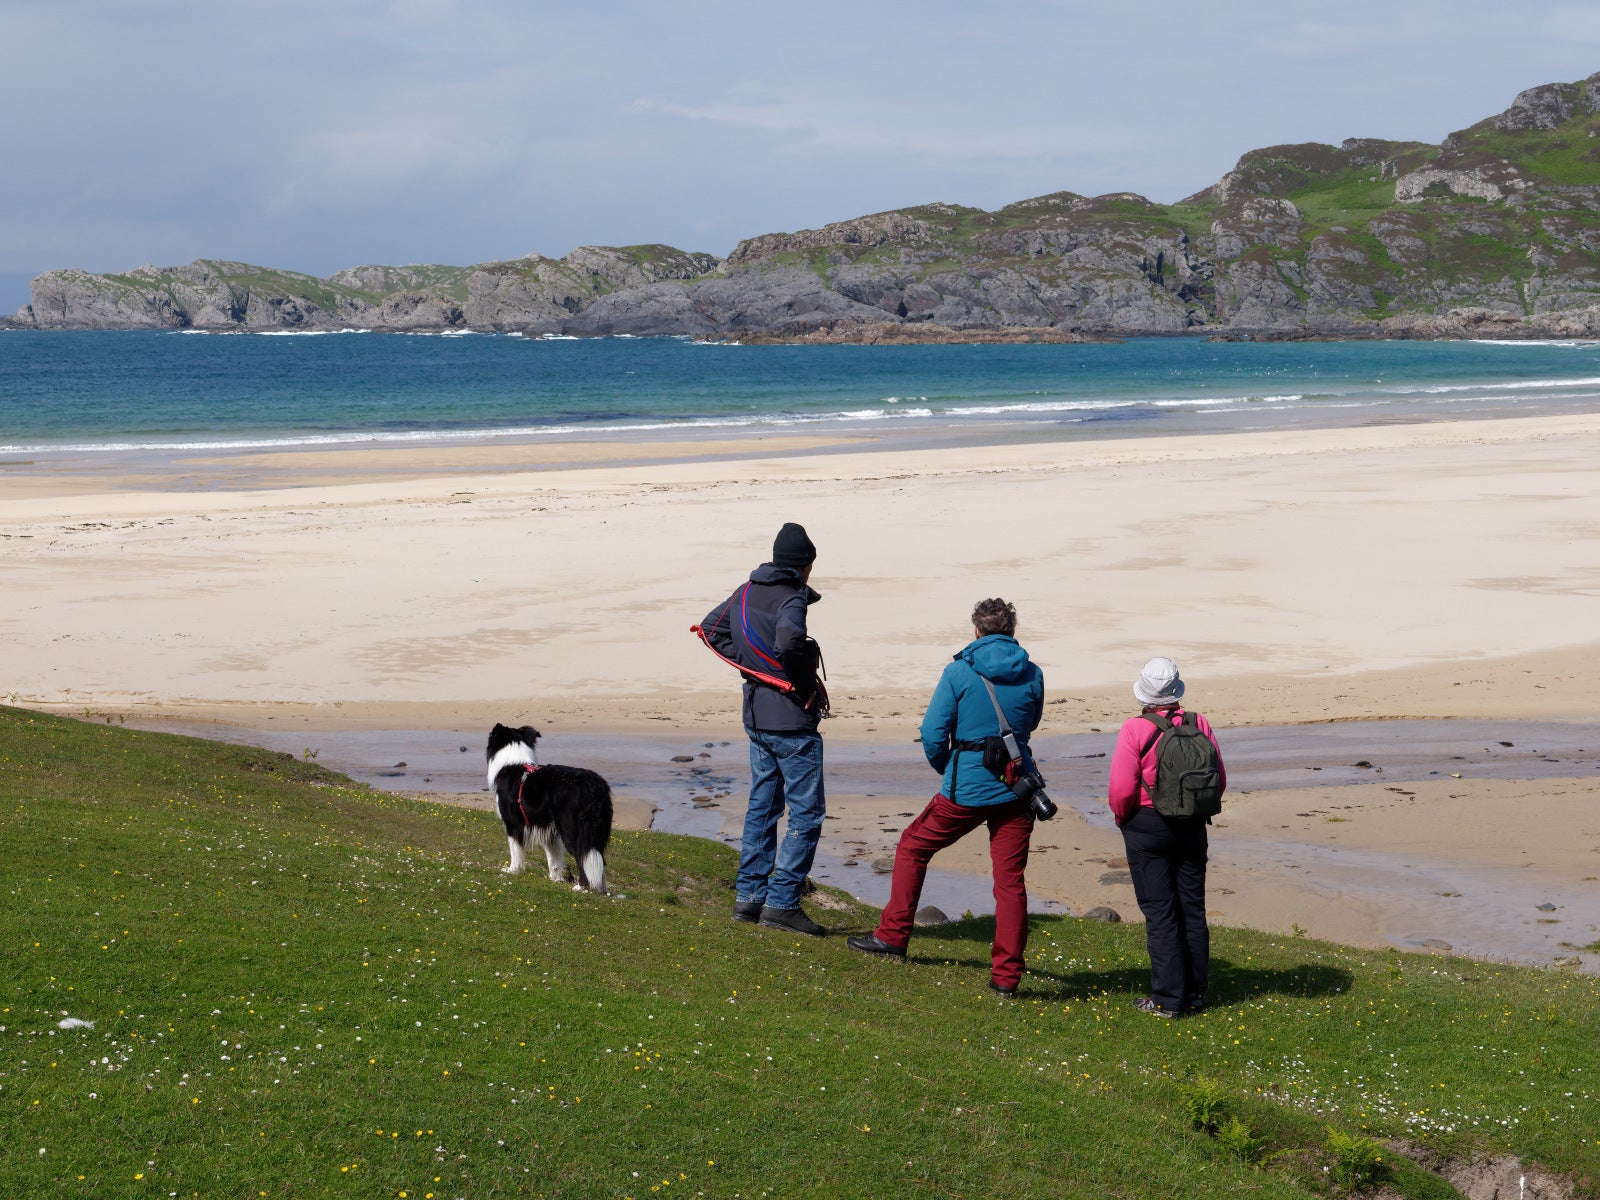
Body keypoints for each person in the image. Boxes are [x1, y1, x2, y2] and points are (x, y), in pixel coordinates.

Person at [848, 598, 1044, 996]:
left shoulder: (959, 671)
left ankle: (893, 937)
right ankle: (1006, 979)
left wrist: (949, 769)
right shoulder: (1033, 672)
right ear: (1012, 630)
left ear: (976, 630)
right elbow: (1031, 722)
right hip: (1017, 785)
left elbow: (934, 733)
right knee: (1010, 883)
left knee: (912, 846)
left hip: (968, 787)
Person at [699, 522, 830, 936]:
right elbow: (790, 641)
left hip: (756, 717)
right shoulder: (792, 598)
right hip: (790, 721)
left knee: (762, 808)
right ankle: (782, 903)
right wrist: (794, 679)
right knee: (806, 815)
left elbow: (711, 628)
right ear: (803, 566)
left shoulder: (745, 591)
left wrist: (756, 668)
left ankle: (749, 898)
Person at [1107, 657, 1226, 1018]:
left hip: (1147, 825)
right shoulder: (1198, 722)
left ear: (1144, 692)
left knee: (1160, 912)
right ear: (1176, 691)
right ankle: (1194, 993)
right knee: (1191, 908)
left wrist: (1123, 819)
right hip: (1192, 824)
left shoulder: (1134, 729)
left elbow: (1121, 789)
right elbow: (1219, 777)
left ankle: (1167, 999)